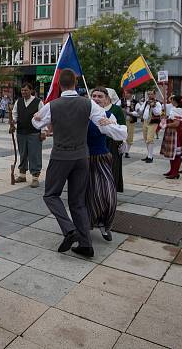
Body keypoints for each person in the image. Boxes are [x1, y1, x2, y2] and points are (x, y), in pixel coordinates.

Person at [32, 70, 126, 258]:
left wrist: (36, 117)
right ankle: (86, 245)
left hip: (61, 156)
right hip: (82, 157)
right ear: (75, 83)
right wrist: (118, 129)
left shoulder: (53, 105)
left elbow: (36, 124)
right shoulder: (89, 103)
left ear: (59, 85)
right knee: (78, 202)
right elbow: (104, 126)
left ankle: (69, 229)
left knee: (51, 195)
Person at [86, 87, 125, 240]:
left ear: (107, 99)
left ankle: (104, 224)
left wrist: (110, 123)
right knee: (87, 195)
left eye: (100, 96)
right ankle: (86, 226)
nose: (96, 98)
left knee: (108, 195)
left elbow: (120, 132)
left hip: (102, 158)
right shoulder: (84, 115)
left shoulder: (109, 115)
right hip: (84, 159)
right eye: (94, 96)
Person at [9, 82, 44, 187]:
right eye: (22, 90)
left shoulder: (38, 102)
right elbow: (15, 114)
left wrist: (43, 131)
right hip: (21, 132)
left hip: (34, 132)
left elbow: (43, 117)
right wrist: (13, 122)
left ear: (31, 90)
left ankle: (35, 177)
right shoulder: (18, 102)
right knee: (23, 153)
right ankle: (22, 175)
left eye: (26, 90)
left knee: (34, 155)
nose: (23, 92)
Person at [105, 88, 127, 192]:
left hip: (112, 142)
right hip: (98, 142)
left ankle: (111, 189)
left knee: (112, 166)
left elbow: (122, 126)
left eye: (102, 96)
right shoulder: (95, 108)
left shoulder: (116, 109)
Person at [161, 95, 182, 179]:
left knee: (175, 153)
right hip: (175, 132)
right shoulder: (180, 109)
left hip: (175, 132)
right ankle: (172, 170)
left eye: (172, 100)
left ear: (175, 101)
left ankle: (175, 172)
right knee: (172, 153)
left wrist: (166, 125)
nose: (171, 101)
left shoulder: (177, 110)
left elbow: (176, 124)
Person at [136, 90, 162, 163]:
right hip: (145, 121)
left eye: (151, 94)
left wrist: (153, 106)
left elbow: (158, 113)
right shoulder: (146, 102)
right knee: (146, 139)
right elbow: (141, 110)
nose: (149, 95)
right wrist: (137, 109)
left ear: (154, 95)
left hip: (153, 122)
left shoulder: (157, 103)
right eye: (148, 94)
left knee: (150, 139)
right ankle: (148, 155)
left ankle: (150, 157)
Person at [121, 88, 139, 158]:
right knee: (122, 135)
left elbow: (138, 113)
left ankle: (127, 151)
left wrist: (130, 113)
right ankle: (122, 150)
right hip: (122, 121)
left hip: (131, 121)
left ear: (131, 94)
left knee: (130, 137)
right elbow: (116, 108)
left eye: (127, 93)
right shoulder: (121, 101)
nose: (125, 94)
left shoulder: (135, 102)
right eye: (125, 93)